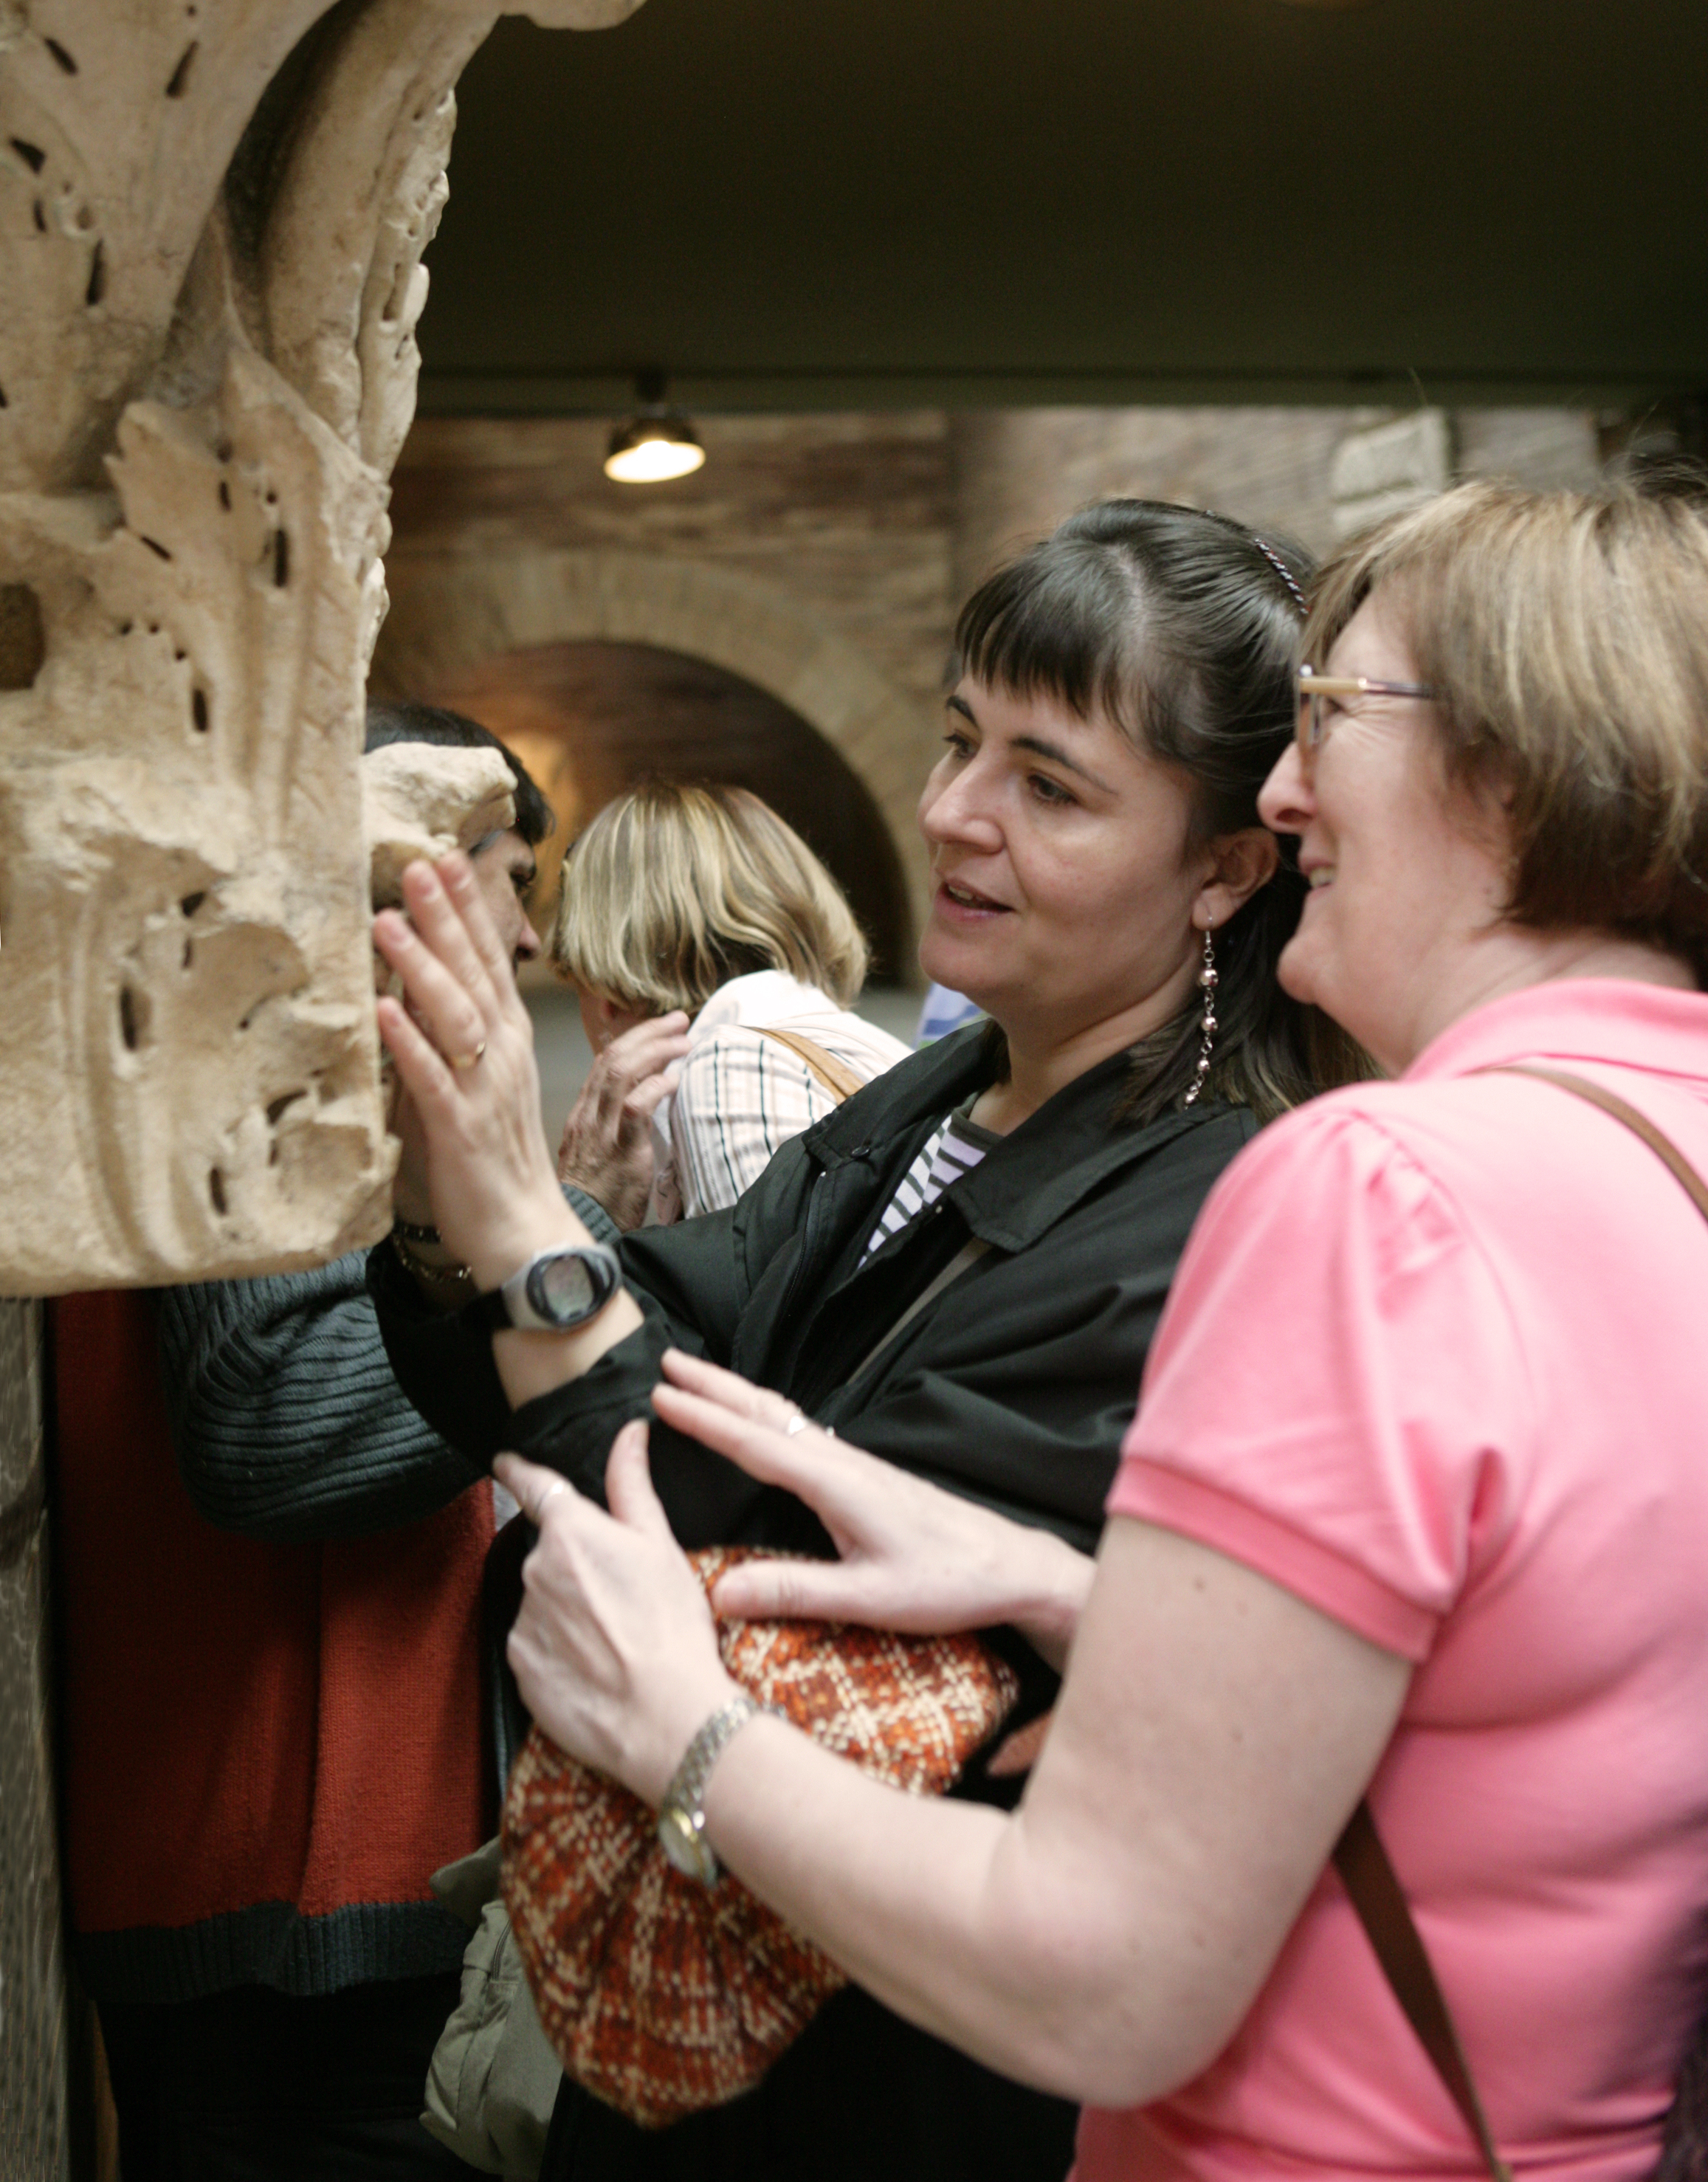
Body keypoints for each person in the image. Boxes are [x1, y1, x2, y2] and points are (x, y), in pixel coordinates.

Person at [492, 466, 1708, 2182]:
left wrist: (682, 1722)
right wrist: (1086, 1598)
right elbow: (1529, 1688)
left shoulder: (1375, 1183)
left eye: (1330, 712)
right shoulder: (1661, 1136)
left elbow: (1100, 1985)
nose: (1285, 791)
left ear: (1510, 767)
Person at [368, 500, 1347, 2182]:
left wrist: (531, 1229)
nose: (951, 813)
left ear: (1224, 867)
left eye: (1048, 784)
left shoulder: (1221, 1205)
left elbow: (758, 1578)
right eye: (961, 739)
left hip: (894, 2052)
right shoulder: (940, 1088)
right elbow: (657, 1330)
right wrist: (451, 1200)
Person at [52, 701, 555, 2182]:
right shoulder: (260, 1028)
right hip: (292, 1876)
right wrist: (581, 1284)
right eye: (507, 873)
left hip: (302, 1875)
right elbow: (278, 1429)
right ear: (406, 860)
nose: (525, 937)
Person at [549, 779, 909, 1229]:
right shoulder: (850, 1042)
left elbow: (774, 1300)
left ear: (606, 993)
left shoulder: (733, 1068)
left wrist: (590, 1219)